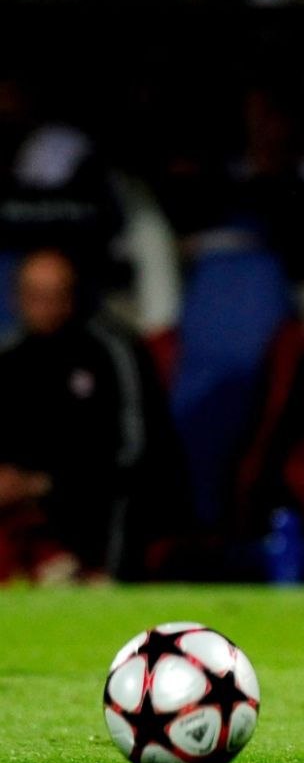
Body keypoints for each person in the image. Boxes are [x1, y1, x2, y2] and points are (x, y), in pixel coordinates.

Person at [0, 249, 176, 583]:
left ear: (73, 297)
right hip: (27, 513)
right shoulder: (9, 359)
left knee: (124, 494)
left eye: (57, 295)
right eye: (36, 296)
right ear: (18, 298)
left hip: (96, 501)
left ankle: (104, 580)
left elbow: (136, 453)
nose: (46, 306)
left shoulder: (113, 352)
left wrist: (41, 483)